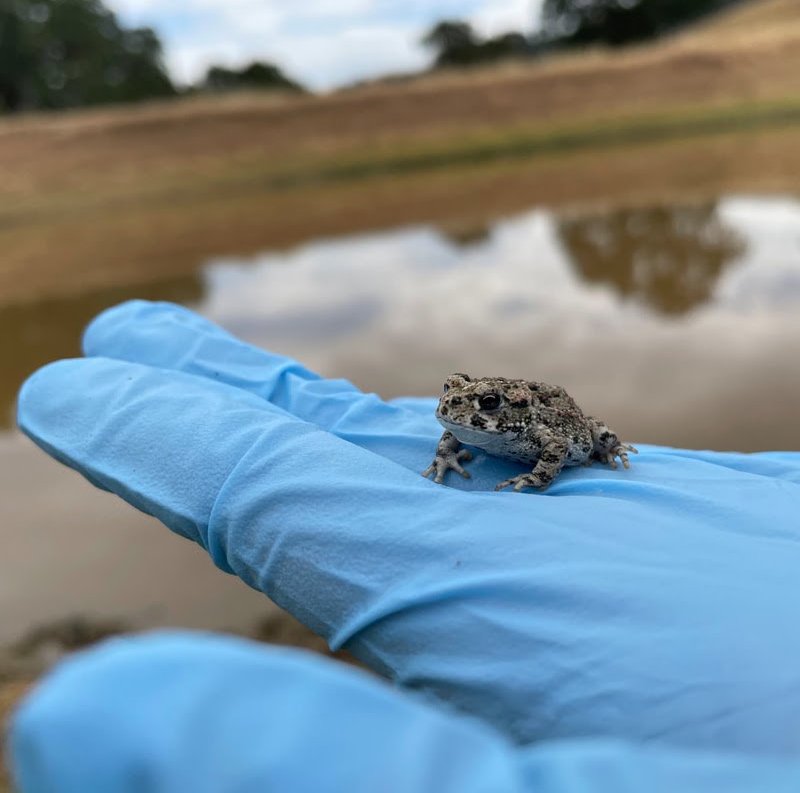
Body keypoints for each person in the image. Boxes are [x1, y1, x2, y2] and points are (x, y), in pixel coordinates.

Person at [8, 300, 800, 792]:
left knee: (602, 442)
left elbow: (561, 446)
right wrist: (453, 450)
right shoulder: (463, 422)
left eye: (477, 406)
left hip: (570, 431)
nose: (460, 411)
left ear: (505, 410)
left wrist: (532, 481)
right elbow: (452, 435)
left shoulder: (537, 425)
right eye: (456, 401)